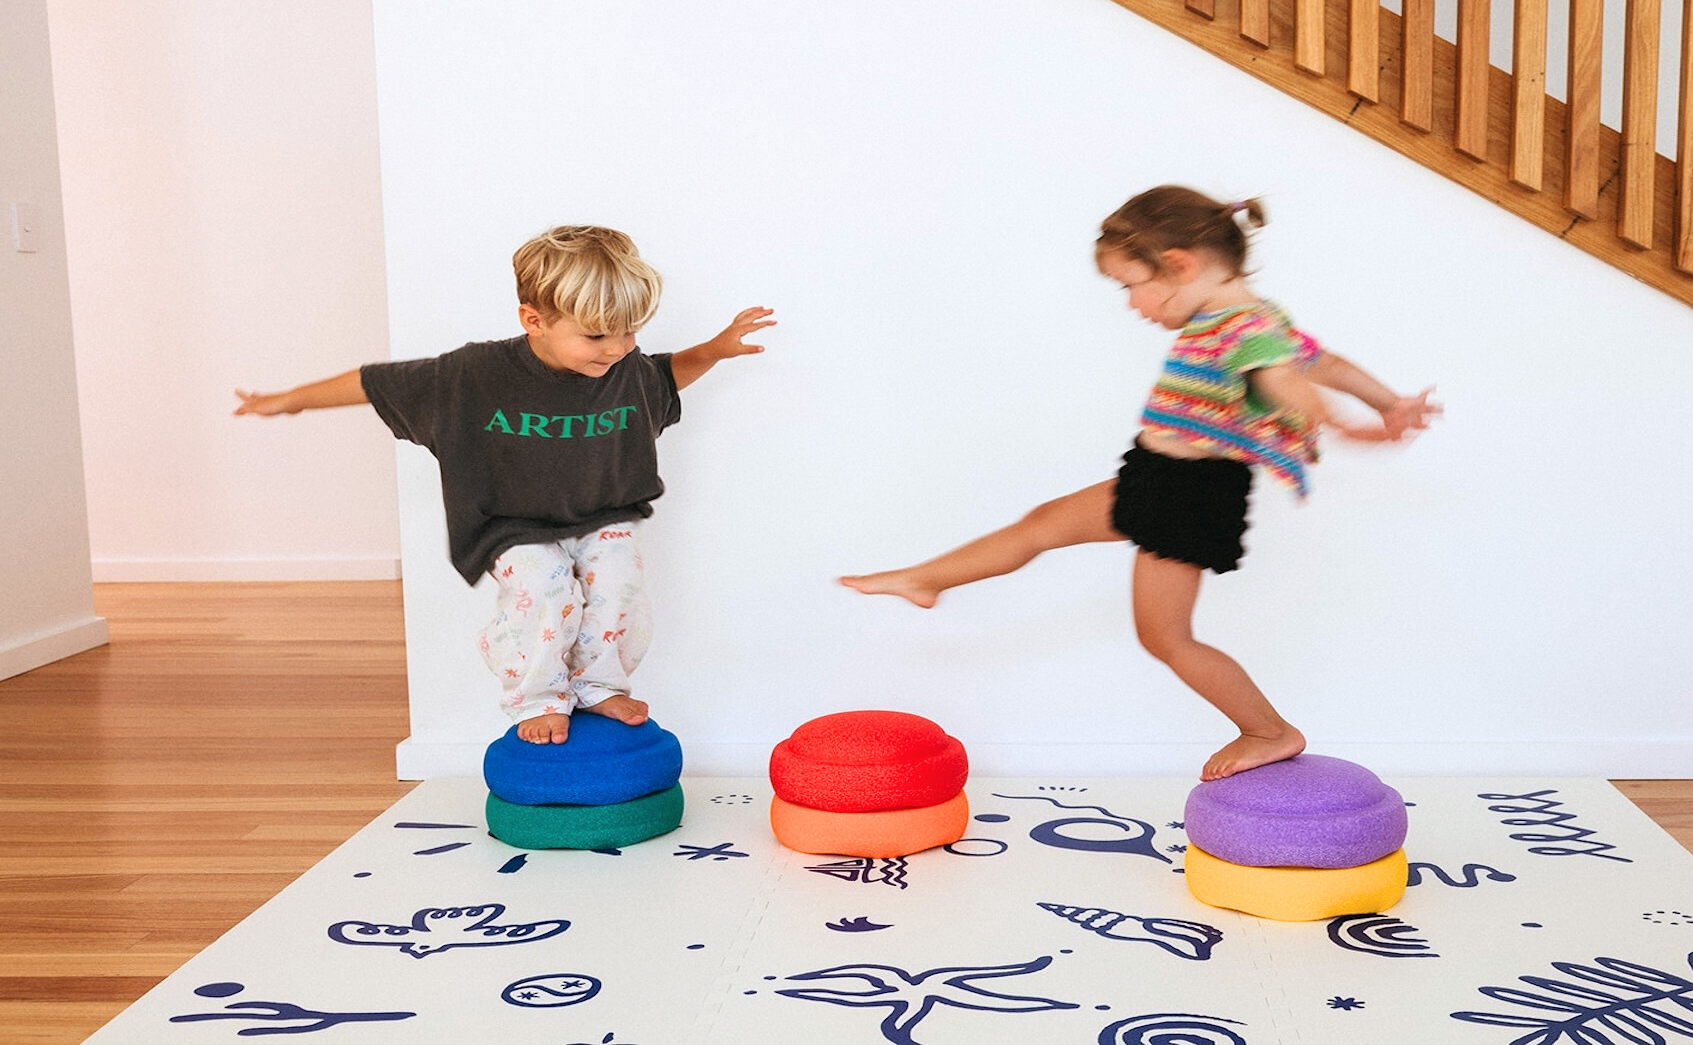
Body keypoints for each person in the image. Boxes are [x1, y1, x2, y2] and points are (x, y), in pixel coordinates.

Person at [841, 186, 1438, 781]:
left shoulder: (1242, 325)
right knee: (1043, 523)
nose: (1132, 304)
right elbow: (1323, 361)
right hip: (1157, 475)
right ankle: (927, 579)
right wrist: (1389, 402)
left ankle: (1268, 730)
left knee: (1166, 639)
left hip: (1190, 494)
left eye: (1132, 285)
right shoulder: (1249, 315)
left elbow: (1285, 380)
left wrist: (1340, 423)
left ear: (1180, 264)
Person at [235, 225, 773, 745]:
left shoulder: (626, 368)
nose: (617, 349)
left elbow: (665, 375)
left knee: (621, 586)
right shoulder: (475, 372)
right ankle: (537, 697)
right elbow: (377, 381)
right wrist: (289, 399)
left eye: (630, 331)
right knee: (544, 589)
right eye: (595, 335)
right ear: (533, 319)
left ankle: (599, 685)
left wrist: (714, 349)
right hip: (512, 522)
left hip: (600, 514)